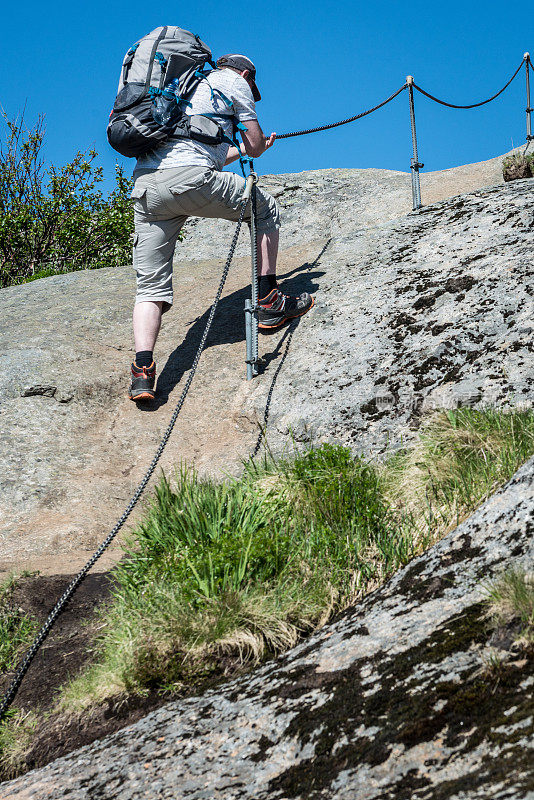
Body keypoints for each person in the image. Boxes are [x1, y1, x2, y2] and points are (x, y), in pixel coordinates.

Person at [128, 53, 314, 402]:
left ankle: (142, 372)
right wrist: (257, 146)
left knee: (150, 287)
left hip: (146, 188)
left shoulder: (178, 90)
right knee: (266, 209)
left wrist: (243, 148)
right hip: (191, 179)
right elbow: (254, 145)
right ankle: (270, 299)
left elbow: (202, 150)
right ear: (246, 73)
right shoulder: (233, 81)